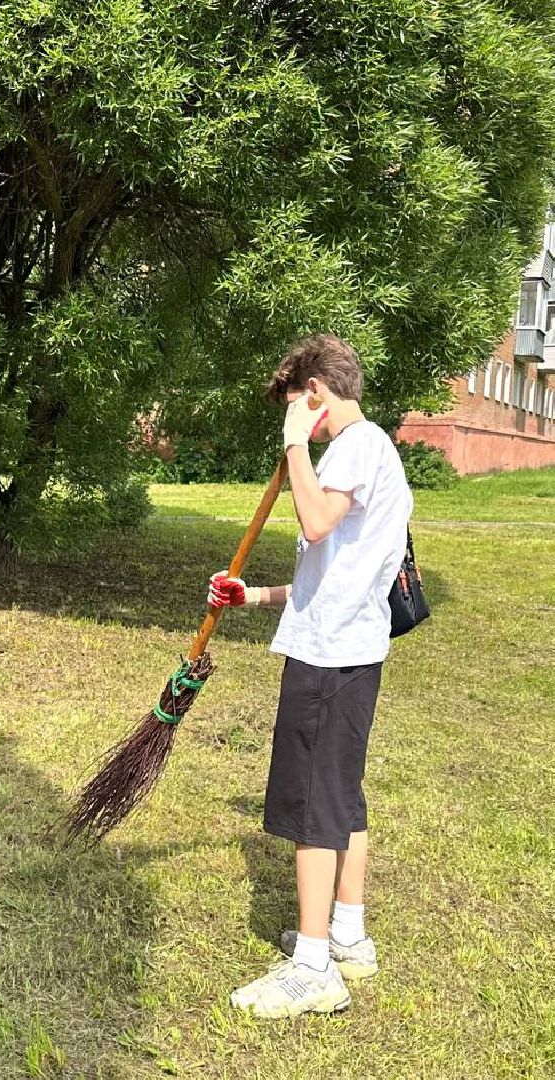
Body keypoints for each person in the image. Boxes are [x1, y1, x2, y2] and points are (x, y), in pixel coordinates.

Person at [207, 333, 412, 1019]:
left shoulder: (351, 447)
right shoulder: (370, 450)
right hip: (342, 647)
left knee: (314, 812)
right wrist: (255, 597)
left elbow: (317, 523)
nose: (292, 421)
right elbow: (332, 575)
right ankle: (347, 935)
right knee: (341, 800)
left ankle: (311, 967)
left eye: (295, 406)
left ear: (315, 395)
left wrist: (296, 444)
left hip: (330, 660)